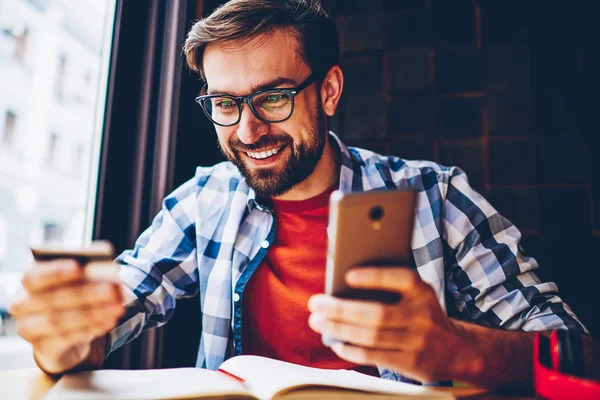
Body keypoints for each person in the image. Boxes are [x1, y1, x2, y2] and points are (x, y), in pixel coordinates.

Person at [9, 0, 599, 389]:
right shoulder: (203, 200)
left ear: (330, 90)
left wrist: (457, 350)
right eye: (225, 103)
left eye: (273, 98)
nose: (246, 130)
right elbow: (112, 316)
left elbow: (579, 356)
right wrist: (63, 337)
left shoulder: (437, 197)